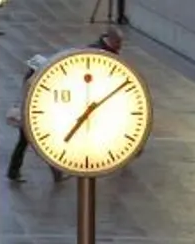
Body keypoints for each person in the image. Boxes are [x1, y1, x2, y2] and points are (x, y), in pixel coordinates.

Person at [9, 30, 121, 182]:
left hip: (31, 114)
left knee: (32, 143)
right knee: (43, 144)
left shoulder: (32, 79)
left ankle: (23, 171)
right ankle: (44, 172)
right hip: (35, 115)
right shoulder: (38, 82)